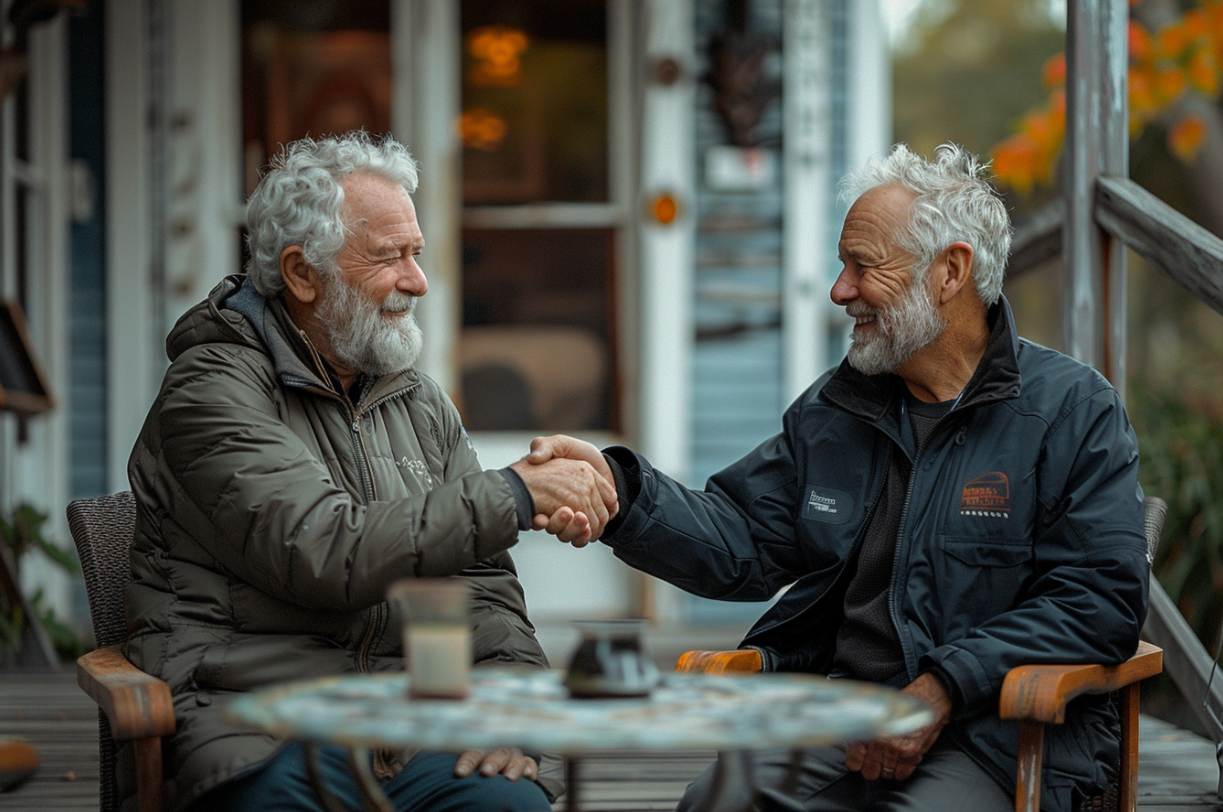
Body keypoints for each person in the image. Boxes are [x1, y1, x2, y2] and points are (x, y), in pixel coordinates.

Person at [528, 143, 1151, 812]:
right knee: (714, 803)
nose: (839, 291)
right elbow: (741, 539)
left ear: (950, 270)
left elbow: (1099, 600)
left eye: (862, 266)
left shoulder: (1070, 409)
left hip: (1000, 738)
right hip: (841, 716)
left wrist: (940, 688)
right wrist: (620, 495)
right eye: (840, 265)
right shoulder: (840, 406)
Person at [124, 131, 615, 812]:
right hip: (261, 724)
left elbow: (484, 591)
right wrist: (511, 492)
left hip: (413, 727)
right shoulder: (210, 389)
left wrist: (512, 715)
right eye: (389, 258)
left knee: (509, 804)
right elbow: (326, 551)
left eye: (416, 253)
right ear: (301, 274)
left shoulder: (415, 399)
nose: (417, 281)